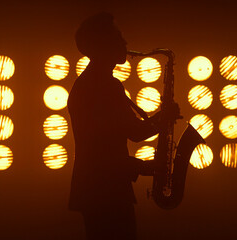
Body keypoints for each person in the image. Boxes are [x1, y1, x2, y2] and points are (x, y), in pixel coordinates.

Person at [67, 12, 178, 240]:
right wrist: (148, 165)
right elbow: (119, 142)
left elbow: (129, 133)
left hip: (100, 191)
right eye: (119, 37)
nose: (125, 43)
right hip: (105, 191)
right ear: (103, 44)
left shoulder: (97, 84)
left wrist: (161, 119)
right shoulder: (101, 87)